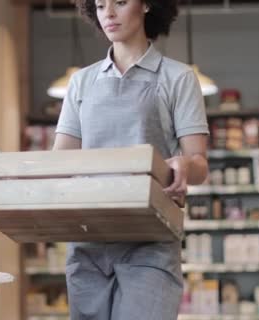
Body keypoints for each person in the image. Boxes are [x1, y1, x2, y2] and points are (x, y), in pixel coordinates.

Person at [53, 0, 209, 319]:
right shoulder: (81, 82)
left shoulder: (177, 78)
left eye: (120, 2)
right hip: (89, 239)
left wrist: (183, 165)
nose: (108, 13)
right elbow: (61, 162)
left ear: (147, 5)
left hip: (150, 240)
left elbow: (199, 164)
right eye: (99, 5)